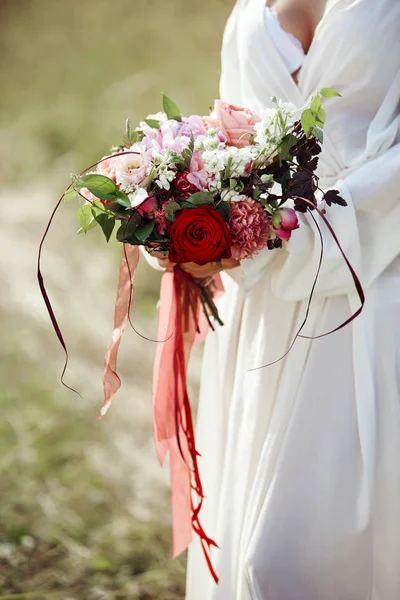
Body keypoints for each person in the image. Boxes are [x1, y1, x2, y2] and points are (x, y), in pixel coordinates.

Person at [148, 0, 400, 597]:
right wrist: (183, 216)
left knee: (293, 560)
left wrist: (317, 236)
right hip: (263, 309)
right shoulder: (246, 11)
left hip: (375, 281)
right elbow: (229, 135)